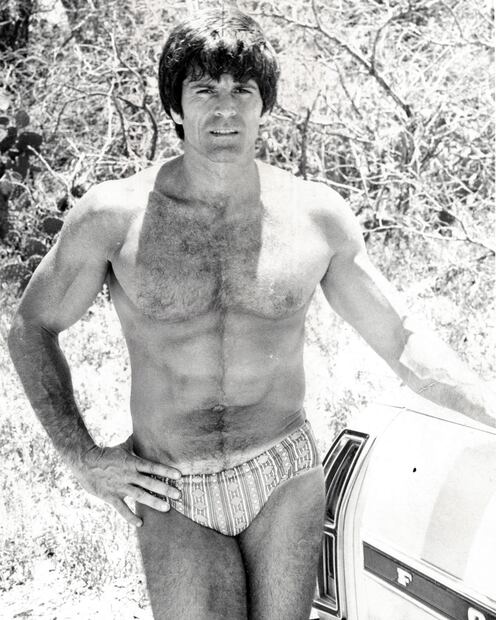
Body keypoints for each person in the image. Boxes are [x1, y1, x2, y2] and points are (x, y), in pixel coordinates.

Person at [8, 8, 495, 620]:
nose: (225, 110)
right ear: (174, 105)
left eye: (243, 90)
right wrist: (80, 456)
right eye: (203, 90)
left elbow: (401, 339)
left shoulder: (315, 216)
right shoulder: (113, 217)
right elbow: (31, 326)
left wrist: (490, 407)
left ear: (266, 103)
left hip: (281, 475)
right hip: (174, 484)